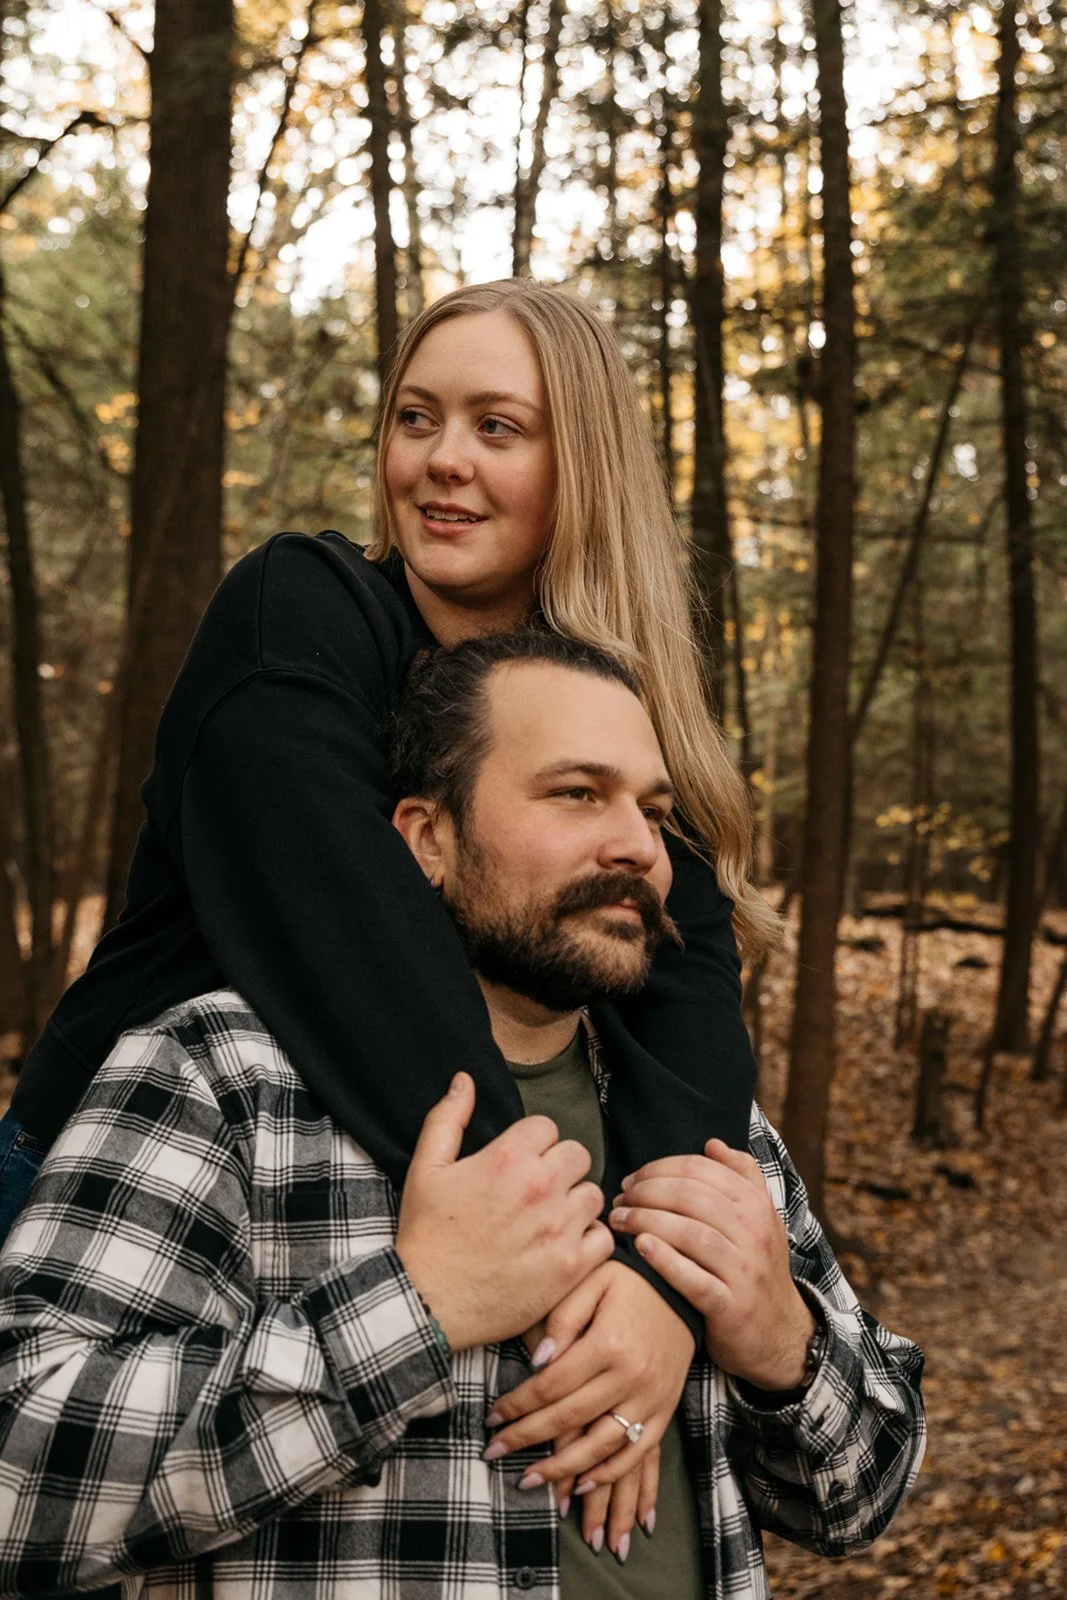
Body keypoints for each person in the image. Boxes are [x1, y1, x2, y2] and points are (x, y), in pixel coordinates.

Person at [0, 281, 777, 1512]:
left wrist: (662, 1285)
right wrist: (566, 1250)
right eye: (416, 418)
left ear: (581, 468)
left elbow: (687, 973)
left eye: (495, 427)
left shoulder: (591, 704)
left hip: (404, 1216)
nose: (440, 460)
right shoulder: (298, 610)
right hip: (140, 1186)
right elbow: (346, 926)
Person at [0, 631, 925, 1599]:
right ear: (427, 840)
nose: (637, 846)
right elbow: (18, 1474)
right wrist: (415, 1308)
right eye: (577, 793)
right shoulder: (226, 1073)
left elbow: (860, 1499)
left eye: (652, 812)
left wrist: (780, 1344)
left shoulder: (708, 1122)